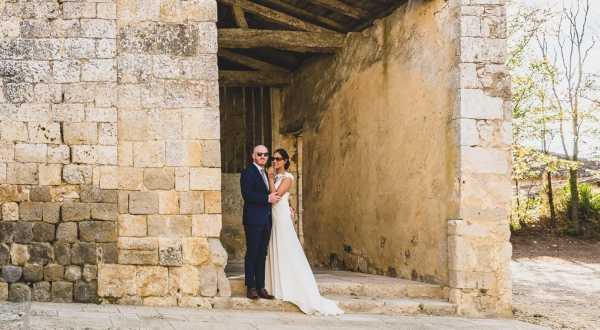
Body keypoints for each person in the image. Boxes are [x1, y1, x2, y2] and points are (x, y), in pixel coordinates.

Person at [265, 148, 344, 315]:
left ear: (286, 161)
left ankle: (292, 285)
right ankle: (276, 284)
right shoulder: (276, 177)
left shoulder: (288, 177)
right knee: (276, 247)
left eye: (278, 159)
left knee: (287, 247)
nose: (275, 161)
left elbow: (276, 195)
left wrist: (270, 178)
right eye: (273, 159)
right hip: (275, 215)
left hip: (281, 218)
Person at [240, 145, 280, 300]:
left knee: (262, 253)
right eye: (259, 154)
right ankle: (250, 287)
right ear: (253, 156)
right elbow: (247, 195)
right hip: (253, 219)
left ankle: (261, 287)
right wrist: (266, 199)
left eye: (265, 154)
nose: (263, 156)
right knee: (252, 252)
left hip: (266, 220)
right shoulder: (248, 172)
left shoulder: (266, 173)